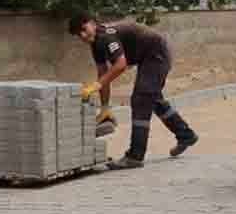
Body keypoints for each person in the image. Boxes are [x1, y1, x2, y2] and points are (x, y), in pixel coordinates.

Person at [68, 13, 199, 169]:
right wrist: (104, 107)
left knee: (141, 100)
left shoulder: (106, 37)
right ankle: (186, 135)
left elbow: (120, 65)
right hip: (146, 58)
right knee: (152, 99)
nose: (82, 35)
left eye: (83, 29)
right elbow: (103, 74)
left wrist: (95, 85)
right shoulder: (95, 44)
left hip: (156, 54)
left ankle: (135, 157)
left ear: (92, 23)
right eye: (78, 34)